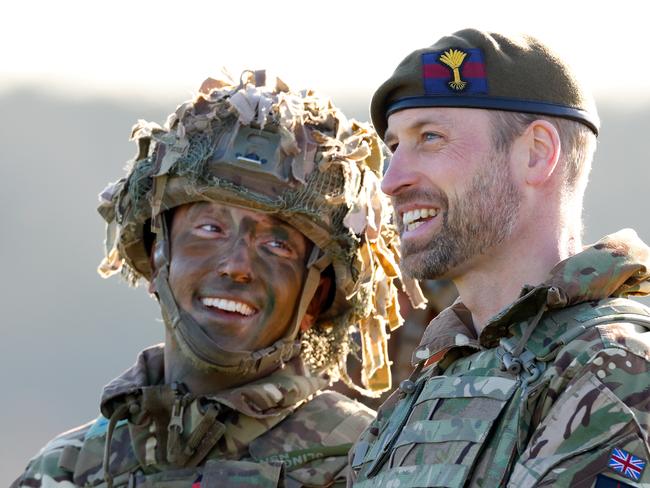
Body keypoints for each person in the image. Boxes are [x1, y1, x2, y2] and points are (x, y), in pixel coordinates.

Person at [13, 71, 424, 487]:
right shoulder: (67, 469)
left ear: (315, 298)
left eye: (277, 246)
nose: (236, 266)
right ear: (159, 256)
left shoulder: (374, 461)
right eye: (210, 229)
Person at [348, 29, 650, 487]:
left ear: (536, 154)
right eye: (394, 147)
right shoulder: (435, 375)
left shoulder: (614, 368)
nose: (391, 180)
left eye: (430, 137)